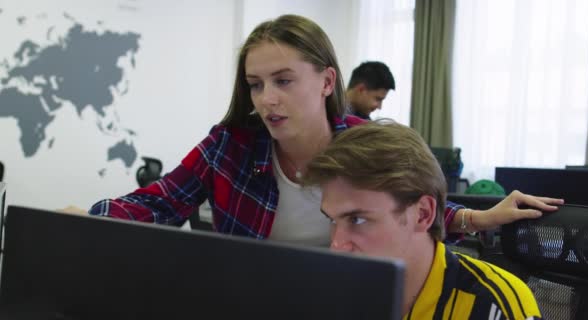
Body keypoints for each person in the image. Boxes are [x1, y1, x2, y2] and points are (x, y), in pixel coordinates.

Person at [88, 14, 561, 247]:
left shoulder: (363, 141)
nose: (266, 99)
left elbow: (416, 208)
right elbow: (160, 201)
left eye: (284, 81)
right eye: (256, 84)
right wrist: (89, 219)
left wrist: (477, 218)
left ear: (327, 82)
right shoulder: (230, 143)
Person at [302, 120, 543, 319]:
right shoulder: (332, 294)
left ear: (423, 214)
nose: (336, 245)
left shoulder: (497, 308)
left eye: (357, 219)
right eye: (332, 220)